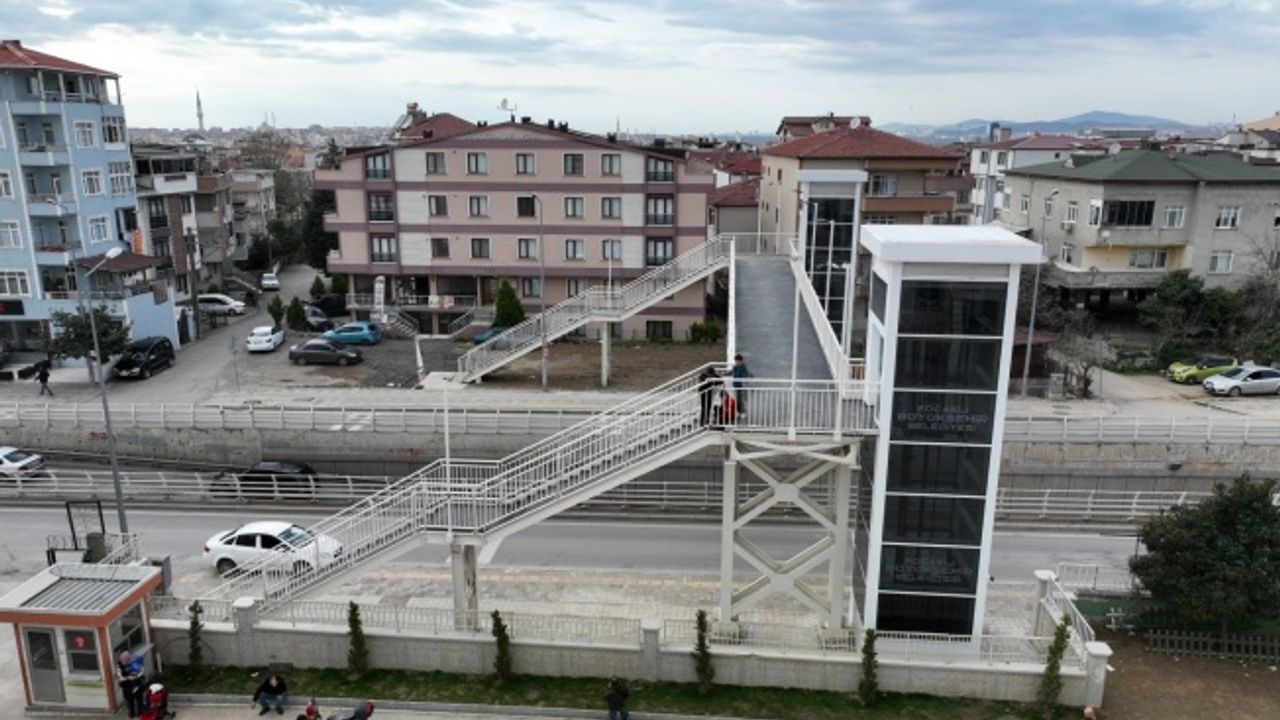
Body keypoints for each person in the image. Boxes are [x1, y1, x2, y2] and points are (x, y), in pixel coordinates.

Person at [116, 650, 143, 718]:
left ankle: (140, 712)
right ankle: (132, 713)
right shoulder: (119, 666)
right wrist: (128, 678)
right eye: (125, 662)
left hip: (136, 683)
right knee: (130, 700)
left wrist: (137, 676)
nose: (126, 663)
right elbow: (120, 677)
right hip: (127, 685)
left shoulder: (135, 661)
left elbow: (141, 671)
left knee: (139, 698)